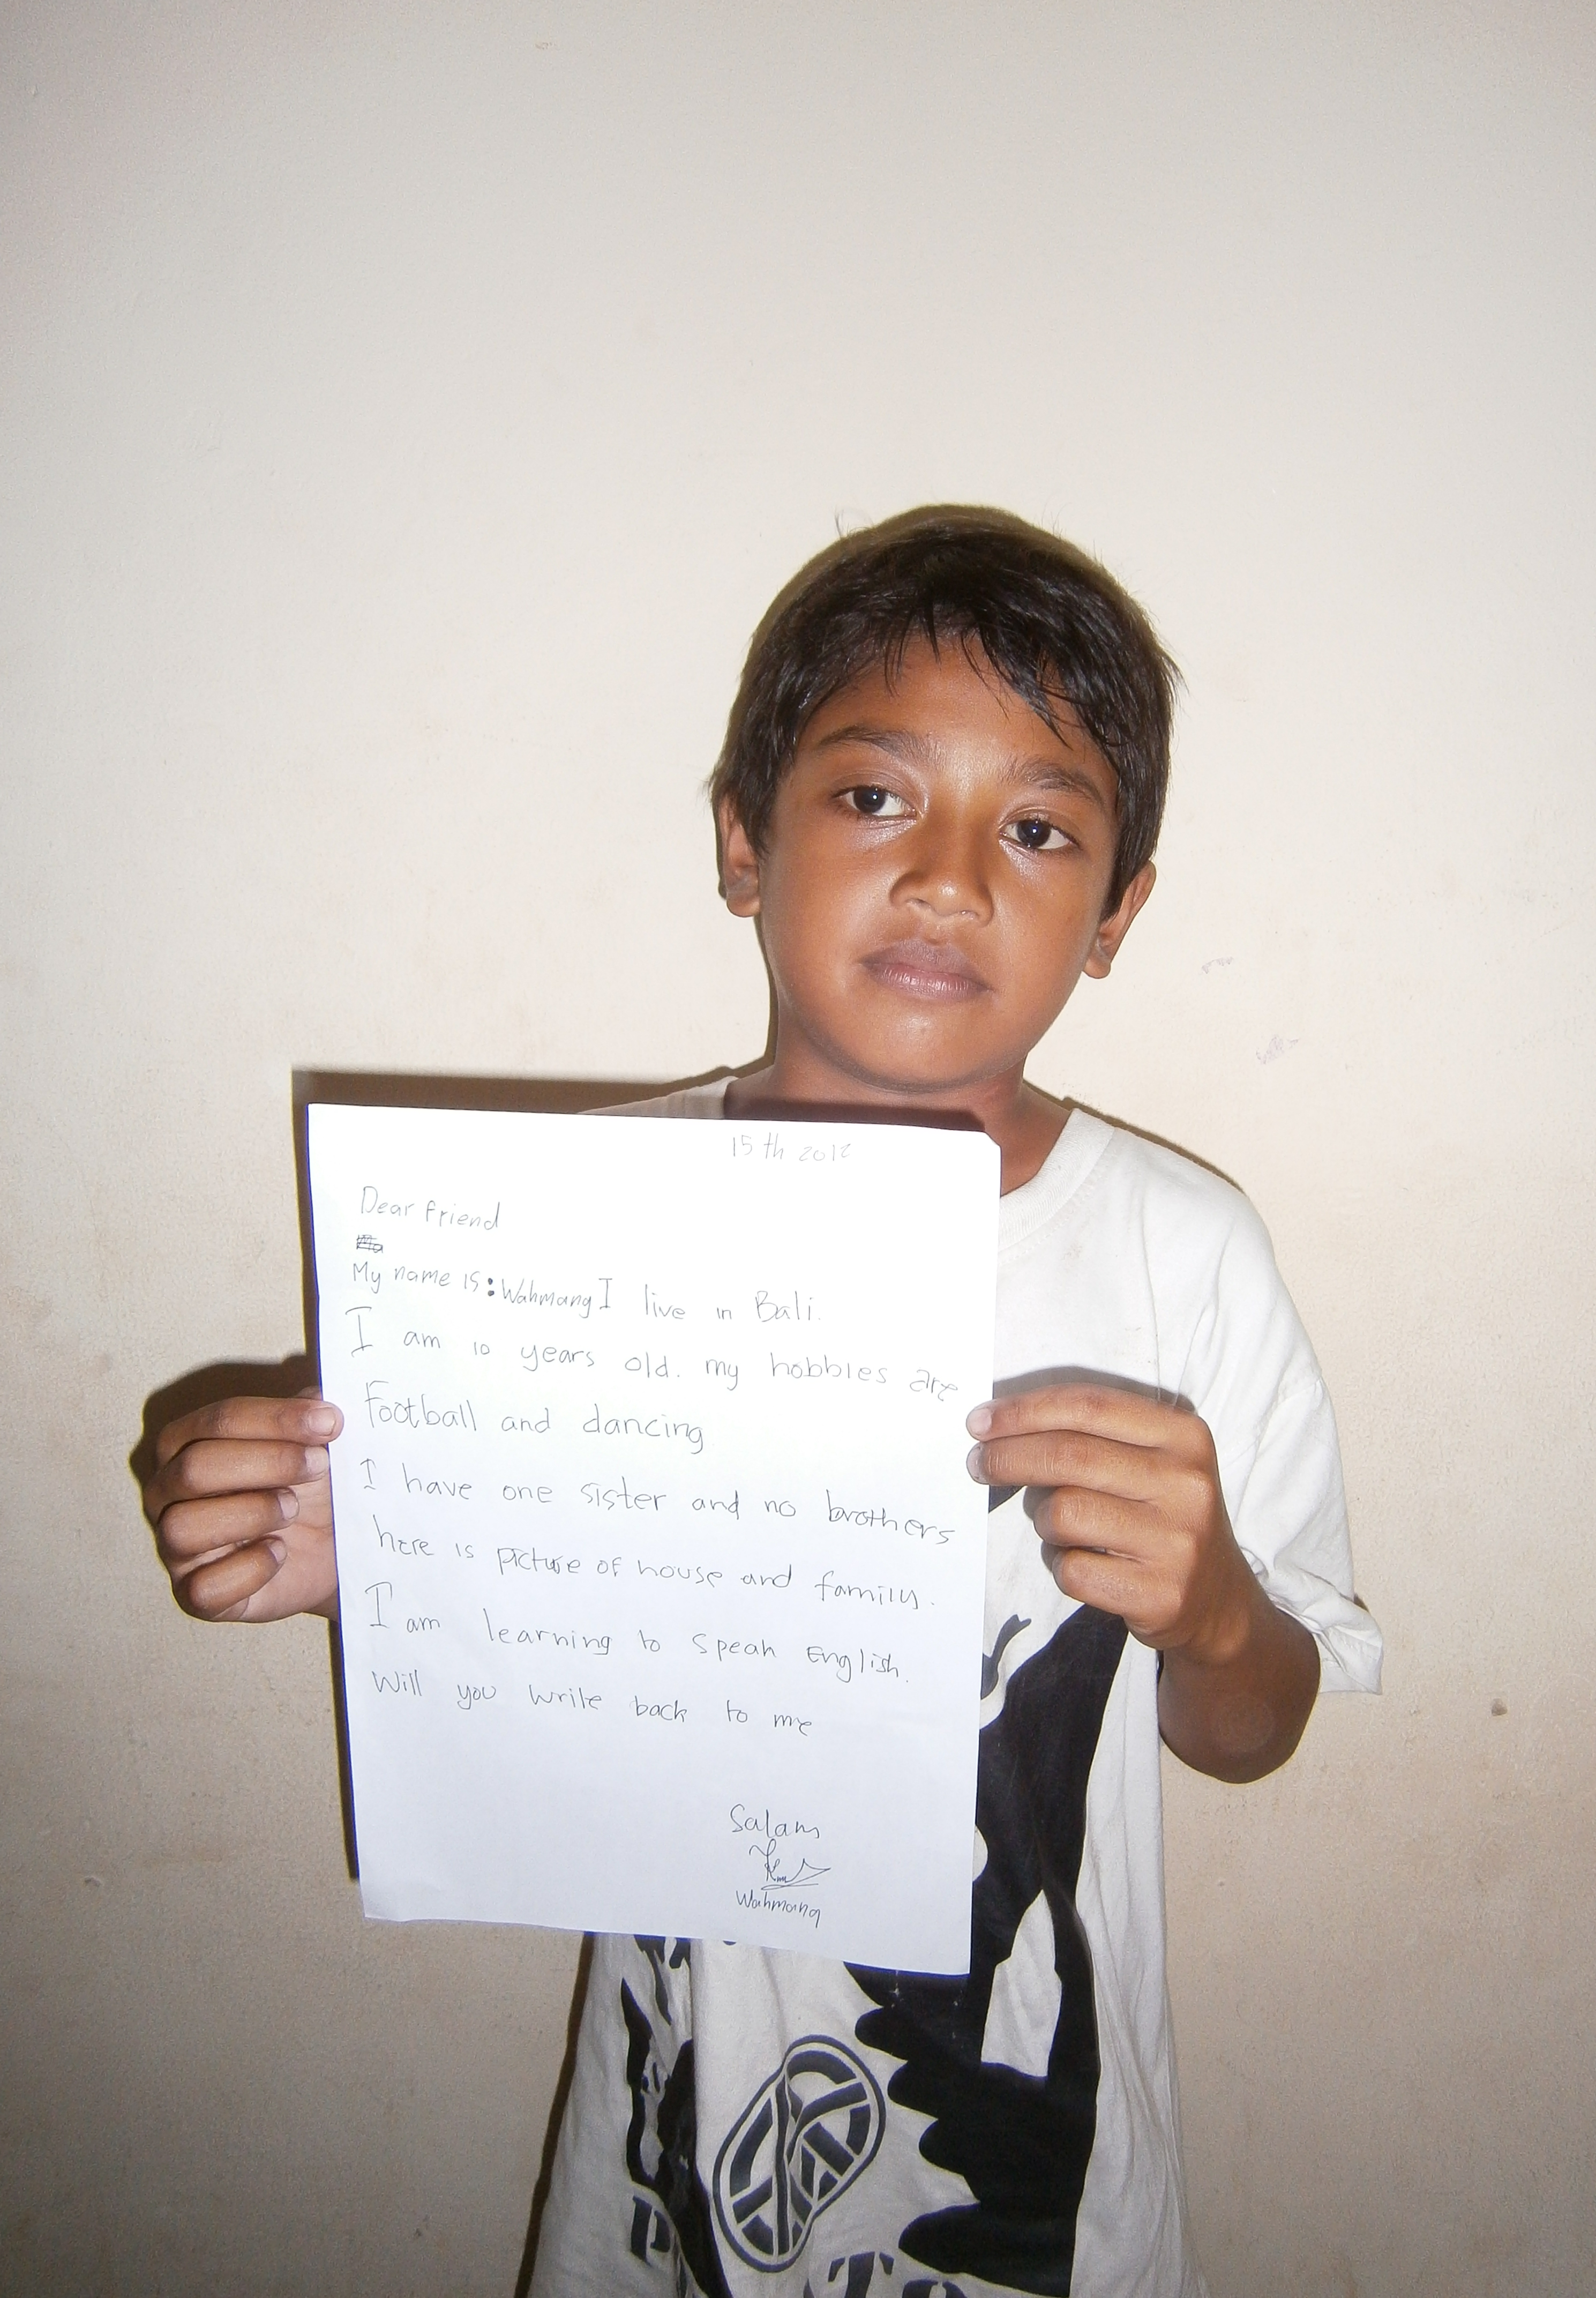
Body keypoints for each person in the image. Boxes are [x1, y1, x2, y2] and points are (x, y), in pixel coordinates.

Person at [144, 507, 1382, 2298]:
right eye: (876, 797)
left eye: (1039, 830)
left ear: (1117, 913)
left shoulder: (1181, 1254)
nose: (950, 879)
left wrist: (1216, 1615)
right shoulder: (564, 1228)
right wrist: (342, 1536)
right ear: (744, 840)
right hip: (659, 2157)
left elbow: (1258, 1730)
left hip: (1032, 2184)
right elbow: (515, 1623)